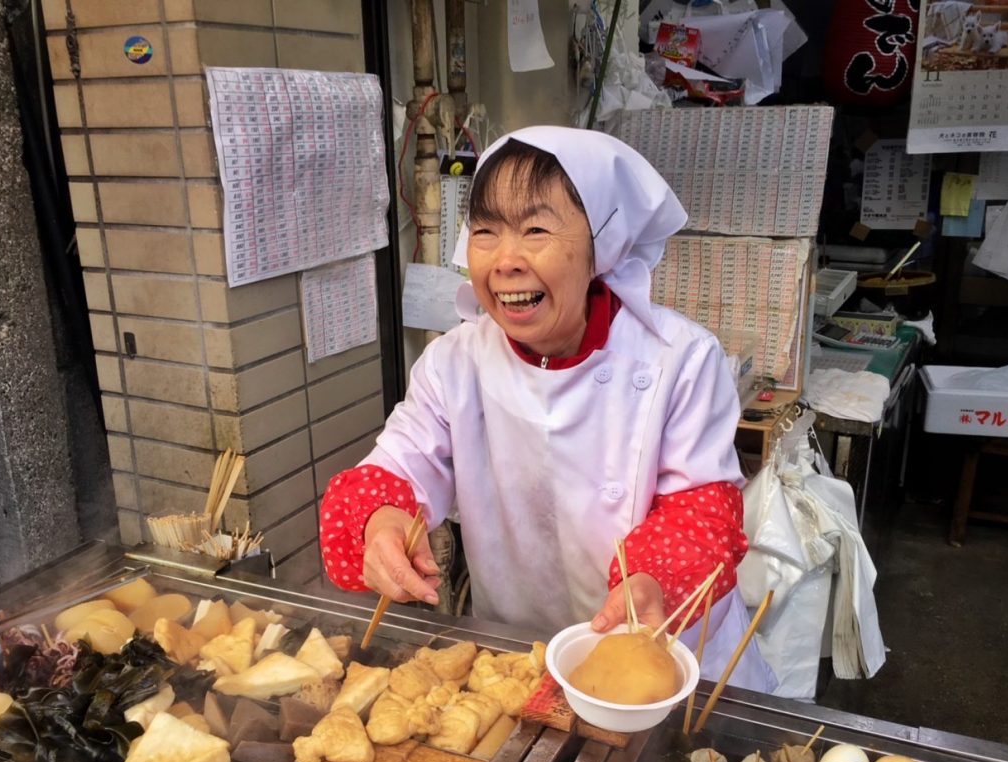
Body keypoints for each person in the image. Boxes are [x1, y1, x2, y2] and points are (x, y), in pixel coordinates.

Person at [320, 126, 775, 692]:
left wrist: (654, 578)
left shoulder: (678, 359)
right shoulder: (454, 362)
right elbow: (399, 466)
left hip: (666, 658)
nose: (506, 260)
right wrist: (381, 523)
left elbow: (700, 507)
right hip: (521, 657)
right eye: (485, 231)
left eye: (535, 229)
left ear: (599, 248)